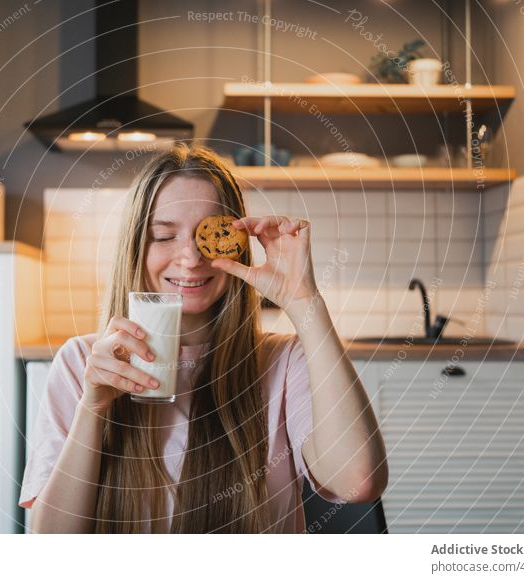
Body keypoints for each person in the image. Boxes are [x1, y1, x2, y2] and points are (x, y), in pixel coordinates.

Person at [20, 144, 387, 533]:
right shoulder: (83, 363)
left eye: (206, 235)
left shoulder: (283, 362)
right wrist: (92, 408)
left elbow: (358, 481)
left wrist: (304, 301)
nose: (191, 258)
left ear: (236, 243)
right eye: (163, 236)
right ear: (135, 249)